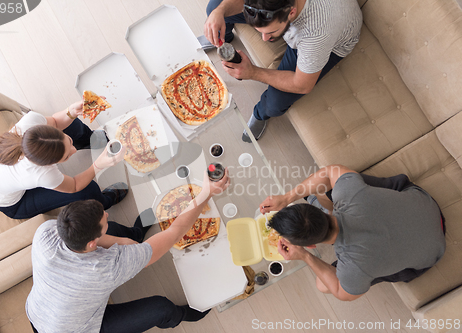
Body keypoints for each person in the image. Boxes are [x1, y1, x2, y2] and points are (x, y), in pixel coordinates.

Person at [26, 171, 230, 333]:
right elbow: (174, 233)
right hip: (77, 329)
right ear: (90, 244)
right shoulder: (106, 269)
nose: (106, 213)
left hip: (40, 309)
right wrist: (206, 193)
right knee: (161, 308)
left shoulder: (46, 232)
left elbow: (99, 239)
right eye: (103, 217)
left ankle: (136, 233)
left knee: (112, 230)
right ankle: (187, 313)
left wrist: (129, 243)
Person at [260, 165, 446, 301]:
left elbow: (343, 294)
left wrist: (305, 257)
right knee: (321, 183)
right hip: (426, 207)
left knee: (322, 284)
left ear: (311, 245)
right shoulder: (350, 194)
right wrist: (287, 197)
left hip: (434, 250)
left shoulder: (354, 267)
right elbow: (329, 172)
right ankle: (318, 200)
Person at [203, 0, 362, 142]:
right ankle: (224, 35)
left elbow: (302, 84)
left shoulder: (317, 33)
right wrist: (220, 11)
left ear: (291, 12)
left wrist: (253, 72)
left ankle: (260, 114)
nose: (264, 38)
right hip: (296, 23)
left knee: (275, 103)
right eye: (260, 30)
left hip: (327, 41)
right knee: (215, 7)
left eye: (270, 32)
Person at [0, 101, 128, 220]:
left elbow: (56, 122)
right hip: (14, 203)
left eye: (69, 142)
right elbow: (74, 185)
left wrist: (70, 111)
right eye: (67, 156)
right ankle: (106, 201)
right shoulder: (42, 174)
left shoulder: (31, 121)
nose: (73, 151)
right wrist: (98, 165)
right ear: (48, 165)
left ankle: (91, 140)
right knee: (87, 190)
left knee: (72, 124)